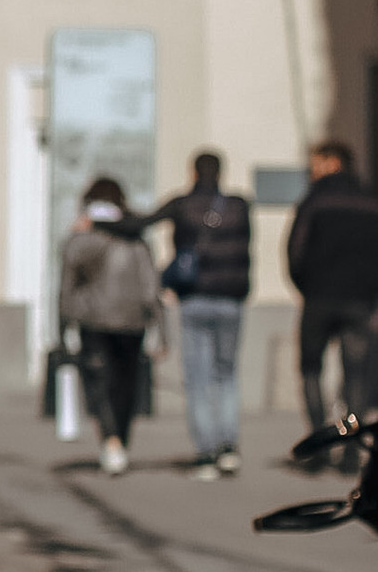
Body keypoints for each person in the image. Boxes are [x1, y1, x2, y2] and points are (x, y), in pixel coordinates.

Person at [285, 138, 378, 448]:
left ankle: (319, 443)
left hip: (319, 299)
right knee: (356, 375)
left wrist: (307, 288)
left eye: (316, 163)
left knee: (311, 368)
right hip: (361, 302)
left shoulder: (314, 201)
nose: (311, 170)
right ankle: (352, 445)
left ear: (333, 163)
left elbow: (295, 253)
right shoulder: (373, 203)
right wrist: (376, 294)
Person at [148, 148, 253, 481]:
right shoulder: (239, 206)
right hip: (231, 300)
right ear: (220, 173)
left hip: (194, 299)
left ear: (193, 173)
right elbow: (247, 251)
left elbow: (142, 222)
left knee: (198, 377)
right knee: (226, 374)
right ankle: (228, 448)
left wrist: (102, 219)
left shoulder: (182, 205)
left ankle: (206, 453)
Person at [59, 175, 159, 474]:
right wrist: (159, 327)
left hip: (94, 320)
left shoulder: (83, 238)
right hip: (132, 321)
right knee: (126, 383)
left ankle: (111, 439)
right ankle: (120, 442)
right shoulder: (136, 238)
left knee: (98, 381)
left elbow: (67, 284)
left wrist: (64, 323)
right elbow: (150, 285)